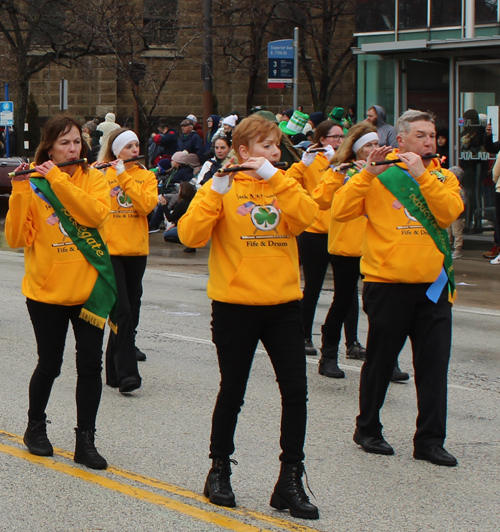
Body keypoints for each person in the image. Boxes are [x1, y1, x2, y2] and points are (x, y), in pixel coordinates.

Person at [177, 114, 320, 519]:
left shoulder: (283, 183)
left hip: (282, 305)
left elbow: (307, 217)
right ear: (243, 151)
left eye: (276, 146)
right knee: (233, 391)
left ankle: (289, 479)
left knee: (295, 392)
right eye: (265, 146)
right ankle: (219, 469)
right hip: (235, 306)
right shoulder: (223, 188)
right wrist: (216, 188)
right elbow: (190, 235)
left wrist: (276, 176)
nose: (274, 152)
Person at [333, 109, 463, 466]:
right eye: (420, 135)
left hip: (433, 288)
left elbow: (450, 212)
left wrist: (423, 177)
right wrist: (365, 176)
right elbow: (340, 211)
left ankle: (430, 440)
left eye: (432, 135)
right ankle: (368, 428)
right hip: (387, 285)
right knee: (380, 362)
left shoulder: (441, 177)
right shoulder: (380, 176)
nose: (428, 141)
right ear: (400, 139)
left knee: (434, 367)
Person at [5, 115, 114, 470]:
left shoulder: (94, 178)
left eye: (77, 142)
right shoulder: (34, 184)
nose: (72, 148)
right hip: (46, 292)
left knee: (90, 367)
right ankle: (35, 425)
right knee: (49, 364)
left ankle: (86, 440)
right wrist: (21, 189)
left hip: (88, 291)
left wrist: (57, 178)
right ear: (49, 146)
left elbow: (95, 215)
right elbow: (17, 239)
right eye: (64, 142)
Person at [310, 123, 409, 382]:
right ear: (356, 149)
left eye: (377, 144)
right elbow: (320, 200)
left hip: (377, 245)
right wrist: (335, 174)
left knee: (382, 307)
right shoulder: (343, 170)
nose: (374, 149)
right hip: (347, 247)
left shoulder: (387, 169)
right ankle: (328, 356)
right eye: (368, 145)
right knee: (343, 302)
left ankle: (388, 360)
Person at [98, 128, 158, 391]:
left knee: (130, 311)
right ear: (116, 152)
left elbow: (145, 206)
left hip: (136, 251)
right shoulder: (101, 175)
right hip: (110, 251)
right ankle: (127, 375)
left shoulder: (147, 176)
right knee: (121, 310)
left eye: (136, 145)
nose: (135, 150)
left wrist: (124, 177)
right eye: (128, 147)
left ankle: (112, 370)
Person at [293, 119, 352, 359]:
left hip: (340, 230)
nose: (339, 141)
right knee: (313, 287)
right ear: (322, 140)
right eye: (335, 137)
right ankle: (304, 335)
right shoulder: (312, 161)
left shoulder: (346, 162)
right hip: (314, 231)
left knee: (346, 291)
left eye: (342, 137)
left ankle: (353, 341)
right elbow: (298, 189)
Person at [161, 181, 197, 252]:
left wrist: (164, 204)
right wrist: (175, 223)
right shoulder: (194, 202)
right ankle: (191, 243)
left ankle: (188, 242)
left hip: (186, 229)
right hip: (194, 228)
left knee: (167, 234)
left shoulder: (181, 204)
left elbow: (170, 218)